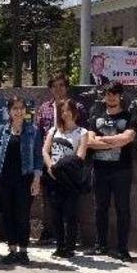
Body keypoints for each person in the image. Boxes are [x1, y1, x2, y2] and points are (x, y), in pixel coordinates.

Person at [0, 96, 43, 265]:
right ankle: (12, 250)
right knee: (8, 215)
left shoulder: (33, 130)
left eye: (21, 108)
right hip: (3, 179)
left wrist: (36, 179)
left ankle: (23, 251)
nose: (18, 111)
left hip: (25, 180)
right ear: (9, 111)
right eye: (15, 108)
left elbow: (38, 158)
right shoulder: (1, 130)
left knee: (23, 215)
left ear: (25, 110)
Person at [86, 81, 137, 262]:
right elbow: (90, 142)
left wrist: (103, 139)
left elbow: (128, 138)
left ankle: (122, 249)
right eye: (108, 94)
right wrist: (115, 140)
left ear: (120, 96)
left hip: (122, 171)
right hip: (99, 170)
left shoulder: (129, 116)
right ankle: (101, 246)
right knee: (100, 209)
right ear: (104, 95)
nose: (111, 97)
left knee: (123, 209)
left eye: (115, 94)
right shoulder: (96, 117)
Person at [35, 74, 87, 244]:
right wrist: (46, 162)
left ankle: (71, 237)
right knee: (50, 201)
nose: (58, 89)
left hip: (71, 165)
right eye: (54, 86)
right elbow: (39, 133)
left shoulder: (77, 107)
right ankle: (50, 232)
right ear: (50, 89)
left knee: (71, 204)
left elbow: (83, 133)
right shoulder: (44, 108)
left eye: (62, 85)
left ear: (67, 87)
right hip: (49, 160)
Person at [42, 99, 88, 259]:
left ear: (75, 112)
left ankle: (69, 247)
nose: (65, 113)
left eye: (68, 110)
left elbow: (80, 156)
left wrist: (59, 166)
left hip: (69, 179)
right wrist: (50, 167)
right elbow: (45, 151)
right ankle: (59, 245)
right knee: (55, 215)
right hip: (53, 178)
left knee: (70, 214)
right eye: (62, 111)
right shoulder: (53, 131)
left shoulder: (82, 132)